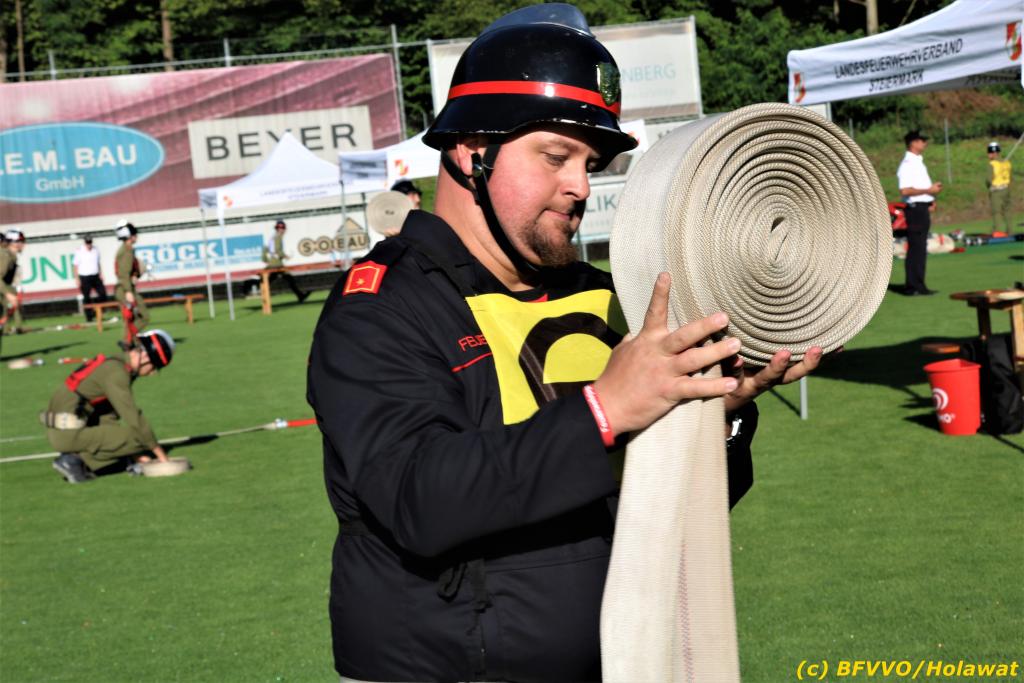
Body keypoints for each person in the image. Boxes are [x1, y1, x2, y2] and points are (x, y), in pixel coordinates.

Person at [307, 6, 822, 681]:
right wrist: (605, 410)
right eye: (555, 156)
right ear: (471, 150)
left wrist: (715, 414)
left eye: (590, 163)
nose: (581, 185)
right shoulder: (379, 307)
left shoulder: (611, 295)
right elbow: (420, 500)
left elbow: (672, 510)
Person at [45, 329, 175, 484]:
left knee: (125, 440)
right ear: (145, 356)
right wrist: (163, 459)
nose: (152, 373)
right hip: (66, 433)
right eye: (155, 367)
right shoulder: (117, 373)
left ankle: (76, 458)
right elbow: (134, 418)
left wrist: (135, 455)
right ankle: (74, 460)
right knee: (139, 437)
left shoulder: (115, 363)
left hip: (62, 429)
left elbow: (107, 414)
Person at [897, 130, 943, 296]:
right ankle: (912, 286)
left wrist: (930, 199)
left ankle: (919, 284)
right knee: (916, 248)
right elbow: (905, 190)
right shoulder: (907, 164)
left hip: (921, 207)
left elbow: (919, 186)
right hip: (915, 209)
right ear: (913, 143)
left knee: (920, 247)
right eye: (921, 140)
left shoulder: (917, 162)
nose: (925, 143)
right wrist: (929, 191)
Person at [114, 219, 150, 340]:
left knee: (131, 319)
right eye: (134, 234)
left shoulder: (127, 249)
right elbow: (124, 274)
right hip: (125, 289)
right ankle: (129, 341)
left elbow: (127, 271)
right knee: (143, 317)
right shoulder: (127, 250)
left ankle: (131, 342)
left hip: (125, 288)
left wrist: (136, 274)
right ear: (129, 235)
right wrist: (128, 291)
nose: (136, 236)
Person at [262, 219, 309, 303]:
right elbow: (277, 250)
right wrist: (285, 256)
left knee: (272, 281)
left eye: (283, 228)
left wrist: (265, 259)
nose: (282, 230)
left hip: (274, 264)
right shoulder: (277, 238)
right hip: (276, 264)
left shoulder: (273, 237)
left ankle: (300, 295)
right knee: (288, 279)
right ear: (278, 229)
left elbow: (266, 249)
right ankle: (300, 295)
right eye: (281, 228)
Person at [73, 235, 108, 321]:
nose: (89, 244)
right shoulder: (79, 251)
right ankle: (89, 317)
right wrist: (77, 279)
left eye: (90, 242)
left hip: (95, 276)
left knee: (103, 294)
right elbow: (75, 266)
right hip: (84, 277)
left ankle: (97, 311)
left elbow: (98, 263)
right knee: (87, 297)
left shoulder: (96, 250)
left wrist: (101, 273)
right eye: (87, 243)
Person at [0, 229, 26, 341]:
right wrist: (8, 294)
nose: (23, 244)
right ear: (13, 243)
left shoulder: (11, 256)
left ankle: (11, 328)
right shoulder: (5, 255)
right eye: (20, 241)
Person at [986, 141, 1013, 235]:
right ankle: (1010, 230)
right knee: (1007, 211)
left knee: (996, 212)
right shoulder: (1007, 163)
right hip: (1006, 189)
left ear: (993, 153)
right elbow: (1010, 177)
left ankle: (998, 231)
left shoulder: (992, 164)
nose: (988, 155)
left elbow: (988, 179)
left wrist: (989, 187)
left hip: (996, 191)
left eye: (989, 152)